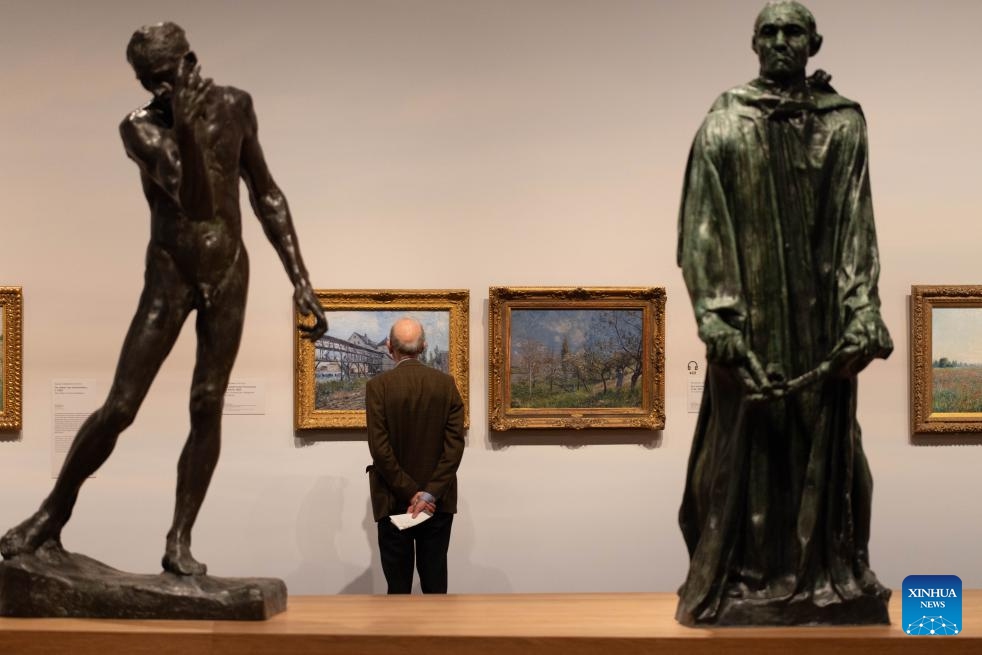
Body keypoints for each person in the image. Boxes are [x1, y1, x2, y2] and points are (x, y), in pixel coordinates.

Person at [0, 22, 327, 576]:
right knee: (122, 405)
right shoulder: (140, 129)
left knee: (206, 403)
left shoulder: (237, 106)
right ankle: (50, 515)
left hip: (228, 270)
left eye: (165, 79)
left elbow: (265, 193)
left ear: (190, 61)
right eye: (147, 83)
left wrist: (301, 278)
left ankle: (179, 540)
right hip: (170, 273)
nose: (158, 92)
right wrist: (186, 126)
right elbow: (195, 200)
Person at [675, 1, 892, 625]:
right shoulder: (724, 124)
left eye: (792, 30)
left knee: (831, 458)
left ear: (814, 42)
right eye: (768, 31)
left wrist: (861, 310)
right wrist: (718, 319)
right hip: (747, 327)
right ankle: (743, 577)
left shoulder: (844, 123)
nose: (779, 41)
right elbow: (701, 231)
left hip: (821, 328)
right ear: (753, 43)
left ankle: (828, 573)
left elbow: (858, 225)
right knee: (739, 461)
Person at [365, 317, 465, 594]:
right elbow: (454, 447)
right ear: (424, 346)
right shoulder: (446, 384)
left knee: (397, 589)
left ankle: (399, 639)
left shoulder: (378, 387)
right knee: (435, 586)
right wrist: (428, 495)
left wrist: (410, 493)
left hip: (393, 500)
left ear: (389, 347)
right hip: (438, 504)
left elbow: (380, 449)